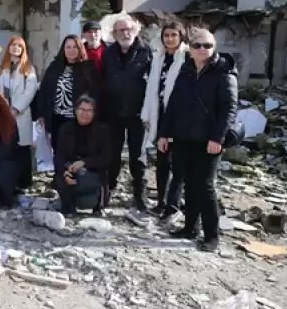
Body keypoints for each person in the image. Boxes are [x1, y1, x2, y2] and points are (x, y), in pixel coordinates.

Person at [158, 28, 238, 252]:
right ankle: (190, 227)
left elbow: (229, 109)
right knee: (188, 183)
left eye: (207, 45)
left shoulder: (225, 73)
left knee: (206, 186)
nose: (202, 50)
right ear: (190, 48)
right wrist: (164, 134)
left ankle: (212, 236)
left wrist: (217, 137)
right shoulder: (185, 70)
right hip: (184, 138)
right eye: (197, 45)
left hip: (208, 140)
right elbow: (172, 104)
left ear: (214, 48)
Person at [101, 15, 152, 211]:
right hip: (113, 113)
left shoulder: (147, 52)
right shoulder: (109, 53)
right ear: (114, 34)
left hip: (138, 114)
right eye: (121, 30)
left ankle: (140, 196)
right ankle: (109, 190)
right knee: (112, 154)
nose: (125, 33)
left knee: (137, 156)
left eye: (128, 29)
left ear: (136, 30)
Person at [141, 22, 188, 218]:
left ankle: (174, 204)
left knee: (177, 164)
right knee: (162, 162)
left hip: (178, 118)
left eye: (173, 35)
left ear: (181, 36)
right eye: (166, 35)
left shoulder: (186, 58)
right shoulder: (159, 57)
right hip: (159, 115)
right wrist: (146, 114)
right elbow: (151, 89)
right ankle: (161, 200)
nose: (169, 39)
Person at [34, 35, 99, 152]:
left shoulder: (88, 68)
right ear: (63, 49)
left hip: (78, 119)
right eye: (68, 47)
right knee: (58, 152)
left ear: (80, 49)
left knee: (76, 151)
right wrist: (41, 113)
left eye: (75, 47)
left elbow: (95, 93)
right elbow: (44, 90)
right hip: (57, 118)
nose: (71, 50)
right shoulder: (54, 66)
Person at [54, 96, 111, 216]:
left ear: (94, 113)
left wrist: (85, 162)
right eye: (82, 109)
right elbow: (59, 155)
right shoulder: (65, 128)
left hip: (93, 171)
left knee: (88, 199)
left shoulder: (102, 130)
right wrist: (64, 171)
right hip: (71, 169)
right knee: (60, 180)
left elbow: (106, 158)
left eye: (89, 110)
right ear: (75, 111)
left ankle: (97, 206)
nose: (85, 113)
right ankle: (68, 208)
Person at [0, 36, 38, 190]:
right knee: (8, 146)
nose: (15, 48)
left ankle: (25, 182)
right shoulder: (2, 69)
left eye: (19, 46)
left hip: (21, 112)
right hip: (6, 113)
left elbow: (30, 92)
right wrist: (5, 109)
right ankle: (10, 180)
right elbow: (0, 92)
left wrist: (16, 108)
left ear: (23, 50)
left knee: (22, 148)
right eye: (13, 45)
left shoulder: (28, 69)